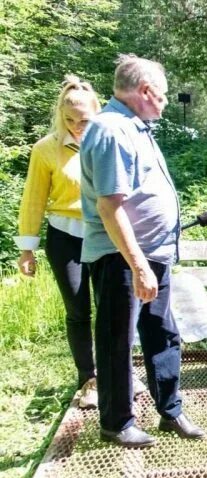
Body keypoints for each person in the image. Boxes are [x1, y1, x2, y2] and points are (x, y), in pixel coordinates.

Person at [80, 54, 204, 448]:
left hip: (153, 253)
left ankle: (170, 410)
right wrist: (137, 266)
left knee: (163, 332)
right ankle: (117, 422)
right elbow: (109, 205)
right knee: (118, 337)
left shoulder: (135, 127)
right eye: (163, 96)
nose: (166, 102)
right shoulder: (111, 130)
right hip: (123, 256)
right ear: (146, 92)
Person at [15, 75, 147, 409]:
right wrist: (26, 248)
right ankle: (89, 378)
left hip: (103, 236)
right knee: (78, 310)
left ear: (96, 113)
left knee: (114, 307)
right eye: (69, 120)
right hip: (65, 238)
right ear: (60, 115)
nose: (76, 127)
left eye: (83, 120)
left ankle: (120, 372)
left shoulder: (108, 140)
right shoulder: (46, 149)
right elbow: (33, 199)